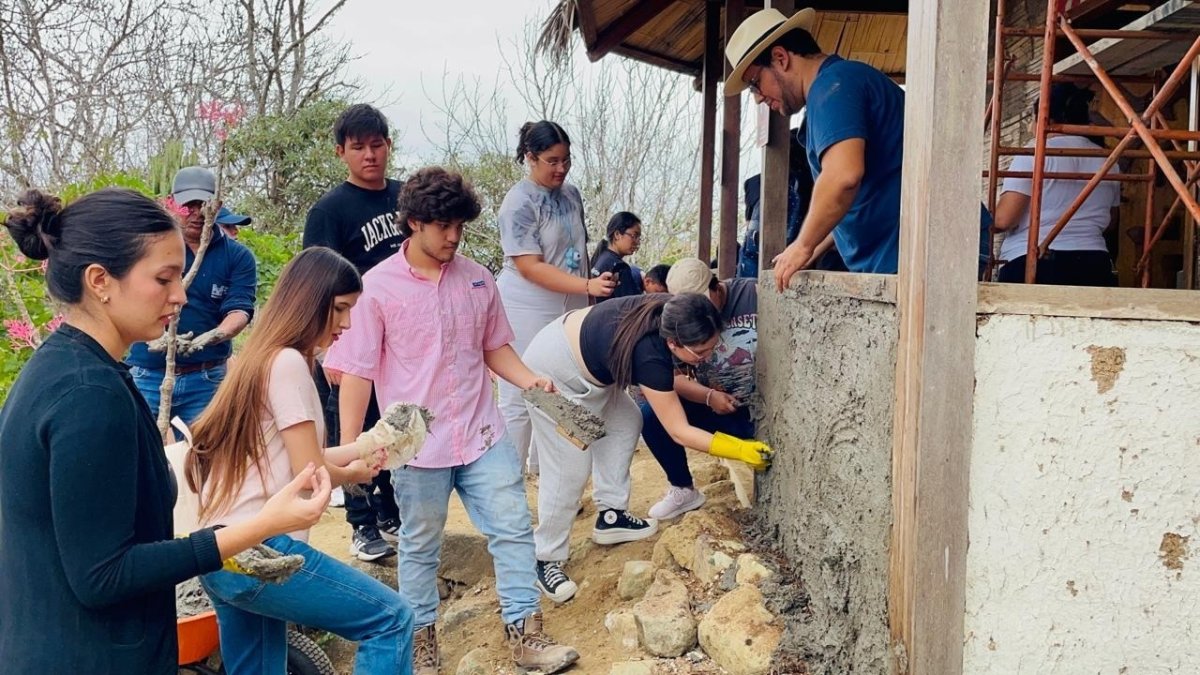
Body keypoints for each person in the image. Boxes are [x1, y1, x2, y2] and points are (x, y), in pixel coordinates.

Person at [0, 188, 330, 673]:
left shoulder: (67, 369)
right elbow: (104, 576)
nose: (181, 295)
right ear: (100, 281)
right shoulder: (88, 394)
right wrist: (259, 526)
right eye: (164, 278)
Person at [326, 168, 581, 675]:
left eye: (459, 226)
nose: (453, 237)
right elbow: (356, 373)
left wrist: (529, 378)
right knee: (420, 544)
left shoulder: (478, 279)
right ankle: (421, 647)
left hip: (482, 433)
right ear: (414, 223)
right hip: (417, 445)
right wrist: (353, 449)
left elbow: (494, 347)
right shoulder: (376, 288)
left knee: (512, 529)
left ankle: (526, 635)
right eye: (443, 226)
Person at [187, 247, 414, 675]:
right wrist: (351, 475)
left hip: (223, 551)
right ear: (312, 301)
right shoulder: (290, 363)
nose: (346, 323)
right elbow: (309, 472)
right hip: (266, 549)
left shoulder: (260, 359)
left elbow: (293, 455)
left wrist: (365, 447)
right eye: (341, 309)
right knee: (390, 620)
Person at [521, 293, 774, 603]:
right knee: (569, 465)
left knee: (626, 420)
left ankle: (611, 516)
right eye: (701, 351)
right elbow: (678, 430)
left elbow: (663, 384)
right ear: (674, 345)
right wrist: (739, 449)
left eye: (712, 346)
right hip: (547, 376)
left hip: (589, 370)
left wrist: (707, 396)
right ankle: (544, 558)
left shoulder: (675, 314)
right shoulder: (650, 351)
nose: (708, 357)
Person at [303, 103, 404, 562]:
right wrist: (331, 350)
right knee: (351, 433)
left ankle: (391, 512)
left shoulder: (407, 199)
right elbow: (317, 283)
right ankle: (362, 526)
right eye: (358, 147)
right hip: (352, 339)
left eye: (377, 145)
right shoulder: (329, 210)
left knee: (394, 427)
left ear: (388, 146)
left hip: (403, 342)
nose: (370, 155)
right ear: (341, 151)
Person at [496, 120, 616, 475]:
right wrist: (585, 288)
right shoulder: (517, 203)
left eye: (566, 160)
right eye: (552, 160)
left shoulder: (572, 194)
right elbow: (530, 266)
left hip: (572, 300)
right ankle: (509, 488)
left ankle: (552, 477)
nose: (561, 168)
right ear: (530, 158)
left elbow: (578, 248)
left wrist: (588, 288)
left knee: (564, 390)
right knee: (519, 396)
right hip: (526, 303)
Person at [127, 166, 257, 424]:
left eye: (204, 205)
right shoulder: (146, 248)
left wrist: (211, 337)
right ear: (173, 204)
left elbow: (239, 309)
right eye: (189, 205)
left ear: (217, 205)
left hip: (205, 377)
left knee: (202, 456)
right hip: (148, 373)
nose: (197, 213)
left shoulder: (238, 257)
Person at [635, 259, 760, 520]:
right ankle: (683, 488)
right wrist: (708, 396)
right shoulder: (677, 322)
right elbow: (672, 378)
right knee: (650, 416)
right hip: (722, 408)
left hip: (763, 410)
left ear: (715, 286)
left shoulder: (754, 294)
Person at [993, 83, 1121, 286]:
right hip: (1094, 262)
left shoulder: (1034, 153)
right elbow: (1111, 221)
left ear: (1043, 118)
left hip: (1037, 260)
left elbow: (1003, 220)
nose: (1029, 127)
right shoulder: (1108, 160)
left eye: (1031, 119)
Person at [591, 211, 644, 300]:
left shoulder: (601, 258)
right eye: (634, 236)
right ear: (617, 235)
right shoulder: (619, 267)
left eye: (639, 238)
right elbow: (631, 307)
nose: (638, 242)